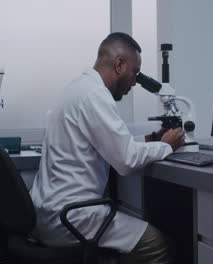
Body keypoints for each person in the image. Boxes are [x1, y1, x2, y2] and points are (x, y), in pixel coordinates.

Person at [30, 32, 184, 264]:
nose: (134, 82)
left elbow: (111, 143)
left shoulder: (78, 88)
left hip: (50, 213)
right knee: (160, 245)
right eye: (134, 73)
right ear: (119, 64)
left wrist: (152, 138)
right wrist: (166, 146)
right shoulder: (94, 96)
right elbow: (126, 160)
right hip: (73, 217)